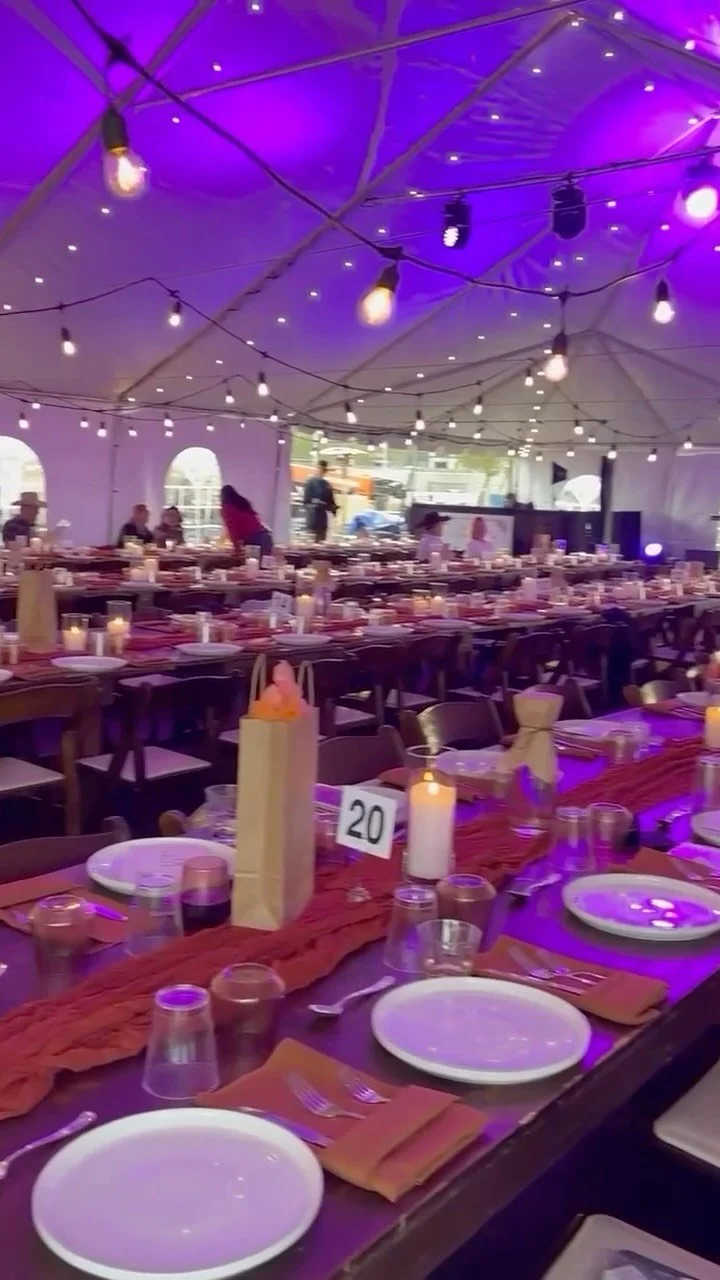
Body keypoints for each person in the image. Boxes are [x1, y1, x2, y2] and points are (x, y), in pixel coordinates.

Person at [220, 485, 273, 555]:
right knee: (263, 561)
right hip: (265, 536)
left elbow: (232, 528)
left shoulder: (227, 507)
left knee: (252, 560)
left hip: (254, 539)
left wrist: (237, 548)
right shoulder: (242, 503)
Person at [303, 459, 337, 543]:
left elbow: (331, 503)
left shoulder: (327, 485)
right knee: (311, 542)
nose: (321, 471)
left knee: (320, 543)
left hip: (322, 521)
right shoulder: (310, 483)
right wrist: (316, 505)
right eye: (319, 468)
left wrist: (333, 508)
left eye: (323, 469)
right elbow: (306, 501)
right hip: (312, 520)